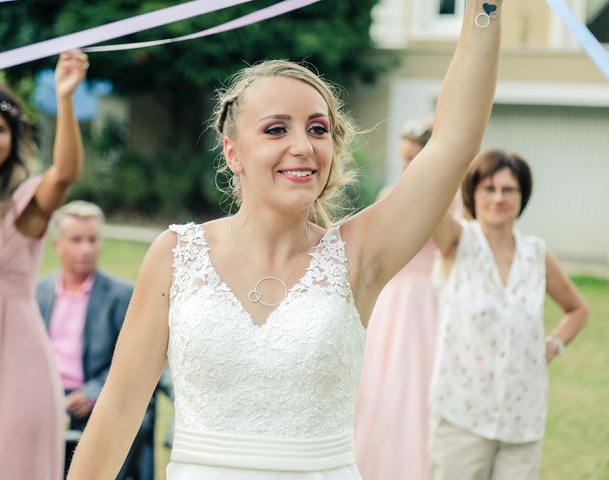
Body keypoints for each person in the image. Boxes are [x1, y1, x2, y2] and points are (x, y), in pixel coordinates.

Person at [67, 2, 504, 478]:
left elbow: (454, 142)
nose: (303, 145)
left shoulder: (358, 255)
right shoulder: (175, 256)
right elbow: (118, 408)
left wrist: (486, 6)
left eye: (318, 129)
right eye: (277, 129)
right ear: (233, 152)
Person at [429, 149, 589, 479]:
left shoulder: (536, 253)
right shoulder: (457, 241)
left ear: (522, 196)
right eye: (489, 188)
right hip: (463, 414)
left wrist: (551, 346)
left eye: (508, 189)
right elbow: (431, 201)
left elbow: (578, 310)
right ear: (472, 194)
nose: (498, 198)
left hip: (522, 418)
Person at [0, 51, 88, 479]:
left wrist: (66, 98)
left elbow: (67, 171)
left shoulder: (26, 203)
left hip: (15, 360)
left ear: (13, 137)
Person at [355, 117, 457, 480]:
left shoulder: (453, 199)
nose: (407, 167)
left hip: (428, 302)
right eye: (404, 158)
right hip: (391, 301)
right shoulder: (390, 195)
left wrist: (436, 193)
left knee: (419, 388)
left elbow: (450, 248)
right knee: (382, 387)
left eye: (415, 159)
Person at [36, 200, 156, 479]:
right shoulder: (36, 292)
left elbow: (130, 362)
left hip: (96, 401)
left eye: (92, 240)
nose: (86, 249)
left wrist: (92, 394)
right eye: (76, 240)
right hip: (44, 400)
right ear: (57, 245)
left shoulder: (121, 295)